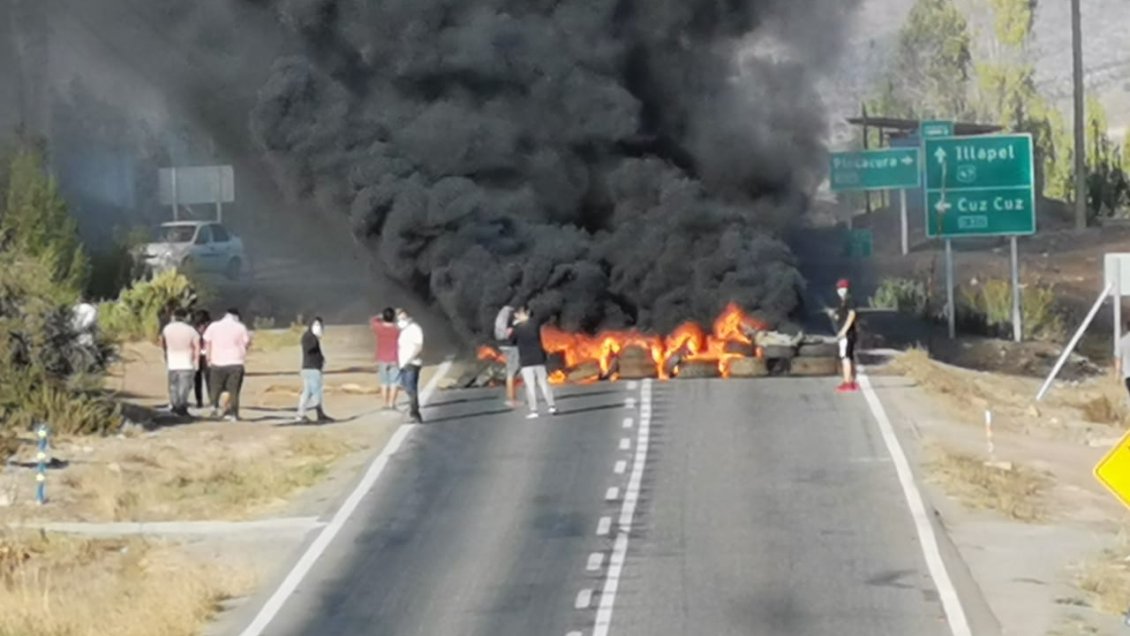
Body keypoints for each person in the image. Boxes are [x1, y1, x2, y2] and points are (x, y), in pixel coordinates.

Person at [203, 308, 252, 422]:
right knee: (233, 390)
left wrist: (208, 358)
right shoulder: (240, 327)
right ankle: (233, 414)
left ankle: (214, 408)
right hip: (235, 362)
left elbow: (207, 342)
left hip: (217, 361)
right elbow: (247, 342)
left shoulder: (214, 326)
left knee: (215, 388)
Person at [510, 306, 557, 419]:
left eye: (518, 314)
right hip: (539, 358)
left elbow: (512, 341)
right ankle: (552, 406)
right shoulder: (535, 324)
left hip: (526, 361)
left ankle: (534, 410)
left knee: (530, 386)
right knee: (544, 383)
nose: (516, 316)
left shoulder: (517, 328)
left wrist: (515, 325)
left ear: (523, 314)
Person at [160, 308, 200, 417]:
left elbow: (163, 344)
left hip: (172, 362)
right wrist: (196, 361)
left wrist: (166, 355)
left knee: (173, 386)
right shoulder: (191, 330)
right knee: (184, 387)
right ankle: (181, 407)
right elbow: (197, 346)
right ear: (186, 317)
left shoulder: (167, 329)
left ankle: (174, 406)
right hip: (186, 362)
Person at [296, 317, 332, 423]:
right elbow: (310, 349)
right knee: (315, 393)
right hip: (311, 369)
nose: (319, 328)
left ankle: (304, 414)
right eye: (316, 325)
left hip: (311, 369)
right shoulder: (309, 337)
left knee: (308, 393)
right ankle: (307, 414)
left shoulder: (310, 337)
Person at [396, 308, 424, 423]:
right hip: (402, 364)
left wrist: (410, 358)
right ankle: (414, 409)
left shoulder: (415, 329)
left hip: (412, 363)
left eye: (403, 316)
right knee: (405, 386)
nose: (401, 319)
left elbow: (419, 346)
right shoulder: (401, 331)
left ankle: (415, 413)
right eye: (399, 317)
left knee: (411, 388)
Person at [370, 307, 401, 410]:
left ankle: (385, 403)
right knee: (394, 383)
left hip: (382, 358)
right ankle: (392, 404)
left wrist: (380, 316)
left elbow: (373, 320)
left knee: (384, 382)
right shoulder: (397, 330)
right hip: (394, 358)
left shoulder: (378, 328)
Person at [834, 278, 859, 393]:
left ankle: (847, 383)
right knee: (850, 357)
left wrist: (843, 331)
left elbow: (851, 315)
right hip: (848, 334)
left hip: (847, 335)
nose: (841, 290)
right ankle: (852, 381)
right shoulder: (843, 302)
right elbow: (841, 317)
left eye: (843, 288)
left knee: (845, 358)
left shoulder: (849, 300)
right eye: (840, 288)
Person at [494, 305, 520, 408]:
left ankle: (511, 397)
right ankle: (511, 398)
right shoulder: (511, 315)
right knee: (512, 372)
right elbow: (513, 332)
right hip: (511, 346)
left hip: (502, 345)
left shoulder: (501, 314)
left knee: (511, 371)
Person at [192, 309, 212, 410]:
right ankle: (212, 400)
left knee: (197, 380)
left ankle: (199, 401)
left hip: (196, 356)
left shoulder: (194, 329)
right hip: (207, 355)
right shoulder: (210, 328)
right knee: (209, 379)